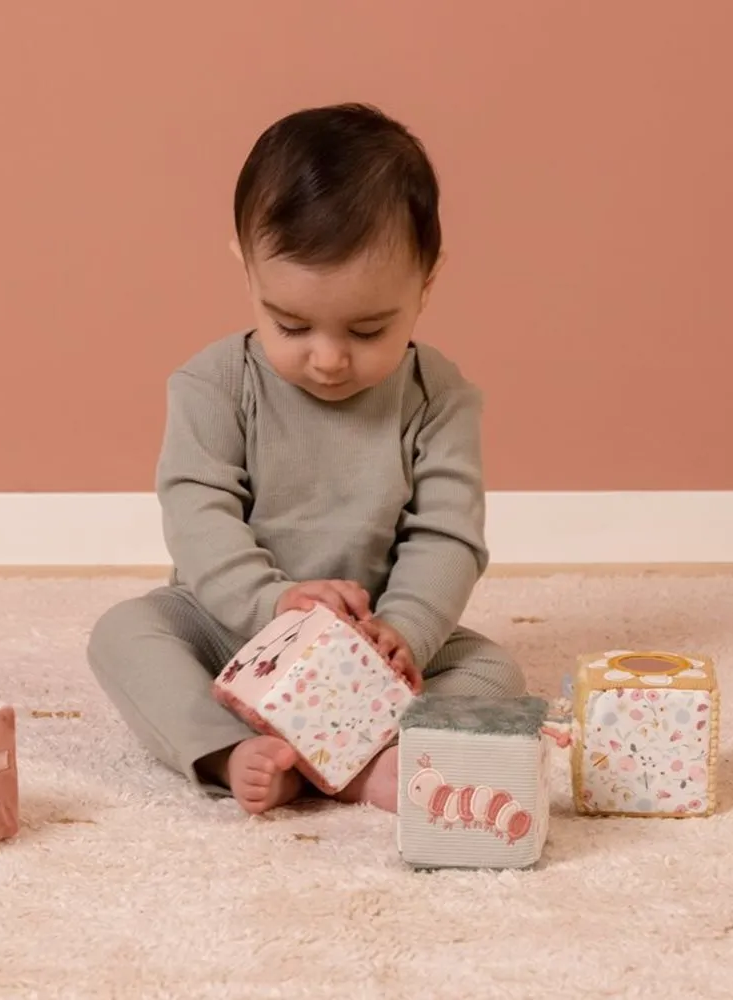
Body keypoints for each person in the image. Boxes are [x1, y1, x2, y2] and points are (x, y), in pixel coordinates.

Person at [88, 103, 525, 815]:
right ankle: (232, 750)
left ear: (428, 282)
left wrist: (406, 632)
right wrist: (274, 606)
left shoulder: (440, 397)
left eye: (368, 329)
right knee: (125, 633)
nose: (326, 359)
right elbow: (199, 516)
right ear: (246, 264)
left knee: (492, 669)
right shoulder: (214, 384)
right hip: (233, 626)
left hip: (375, 635)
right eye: (290, 324)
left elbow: (448, 535)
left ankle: (364, 757)